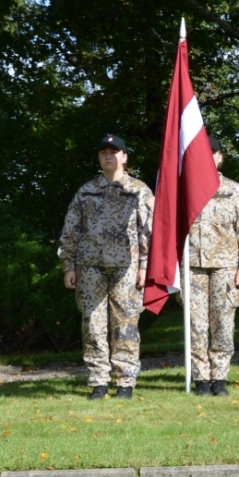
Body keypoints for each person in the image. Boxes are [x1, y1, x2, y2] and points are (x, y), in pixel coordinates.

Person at [58, 134, 154, 400]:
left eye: (114, 152)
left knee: (126, 324)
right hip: (90, 268)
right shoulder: (86, 191)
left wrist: (145, 266)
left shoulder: (139, 191)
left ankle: (125, 382)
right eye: (103, 153)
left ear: (124, 157)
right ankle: (98, 381)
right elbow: (71, 230)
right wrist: (69, 265)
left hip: (127, 268)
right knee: (93, 325)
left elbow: (149, 232)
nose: (108, 156)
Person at [185, 140, 239, 396]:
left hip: (225, 267)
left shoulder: (234, 190)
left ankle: (219, 379)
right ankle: (201, 379)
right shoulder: (184, 189)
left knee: (223, 325)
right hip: (192, 267)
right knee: (196, 325)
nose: (207, 157)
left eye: (211, 153)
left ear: (220, 157)